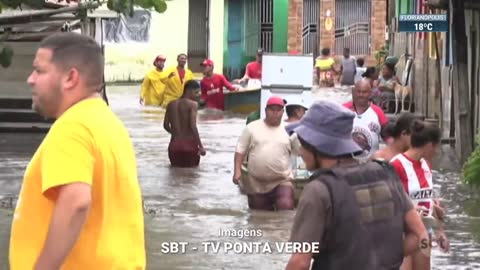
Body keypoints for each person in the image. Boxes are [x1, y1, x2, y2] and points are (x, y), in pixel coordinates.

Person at [9, 32, 145, 269]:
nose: (30, 79)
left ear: (70, 78)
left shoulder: (72, 127)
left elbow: (76, 201)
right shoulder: (107, 123)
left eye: (39, 71)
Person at [284, 100, 430, 270]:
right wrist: (382, 258)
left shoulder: (319, 190)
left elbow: (300, 263)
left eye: (303, 144)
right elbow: (421, 236)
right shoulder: (386, 174)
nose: (300, 151)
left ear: (316, 145)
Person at [390, 121, 449, 270]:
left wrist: (440, 231)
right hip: (403, 234)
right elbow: (387, 200)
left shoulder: (426, 165)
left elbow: (428, 200)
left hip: (425, 232)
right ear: (429, 145)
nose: (436, 152)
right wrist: (411, 208)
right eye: (436, 146)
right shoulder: (396, 165)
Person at [233, 96, 298, 211]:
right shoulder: (252, 128)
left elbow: (300, 152)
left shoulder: (289, 130)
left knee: (285, 205)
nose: (275, 113)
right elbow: (240, 150)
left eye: (278, 110)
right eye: (272, 110)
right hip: (256, 182)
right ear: (265, 111)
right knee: (259, 216)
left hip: (282, 180)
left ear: (283, 112)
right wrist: (237, 171)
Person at [164, 80, 206, 167]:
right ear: (188, 91)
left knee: (175, 175)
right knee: (192, 177)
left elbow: (165, 125)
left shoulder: (170, 104)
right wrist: (201, 146)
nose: (199, 95)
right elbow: (193, 126)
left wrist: (176, 133)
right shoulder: (193, 104)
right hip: (189, 146)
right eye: (196, 92)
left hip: (174, 146)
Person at [343, 79, 388, 160]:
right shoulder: (342, 109)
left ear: (370, 93)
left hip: (371, 166)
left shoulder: (378, 112)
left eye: (364, 92)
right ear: (353, 92)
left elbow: (388, 139)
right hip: (347, 167)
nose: (361, 95)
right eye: (358, 91)